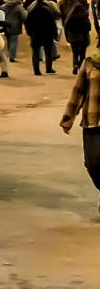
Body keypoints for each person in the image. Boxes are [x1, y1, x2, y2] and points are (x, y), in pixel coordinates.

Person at [60, 38, 100, 214]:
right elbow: (78, 91)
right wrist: (68, 119)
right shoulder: (91, 63)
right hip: (93, 121)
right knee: (94, 164)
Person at [27, 0, 62, 75]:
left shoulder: (33, 11)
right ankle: (48, 68)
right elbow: (52, 23)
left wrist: (29, 32)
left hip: (35, 34)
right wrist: (55, 34)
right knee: (48, 52)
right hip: (47, 34)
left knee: (35, 52)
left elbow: (28, 23)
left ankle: (36, 70)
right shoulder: (47, 11)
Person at [69, 0, 93, 67]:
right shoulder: (84, 16)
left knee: (75, 53)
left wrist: (68, 35)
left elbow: (67, 26)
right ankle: (81, 67)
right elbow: (89, 27)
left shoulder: (70, 17)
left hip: (73, 37)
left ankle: (75, 65)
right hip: (83, 37)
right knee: (82, 53)